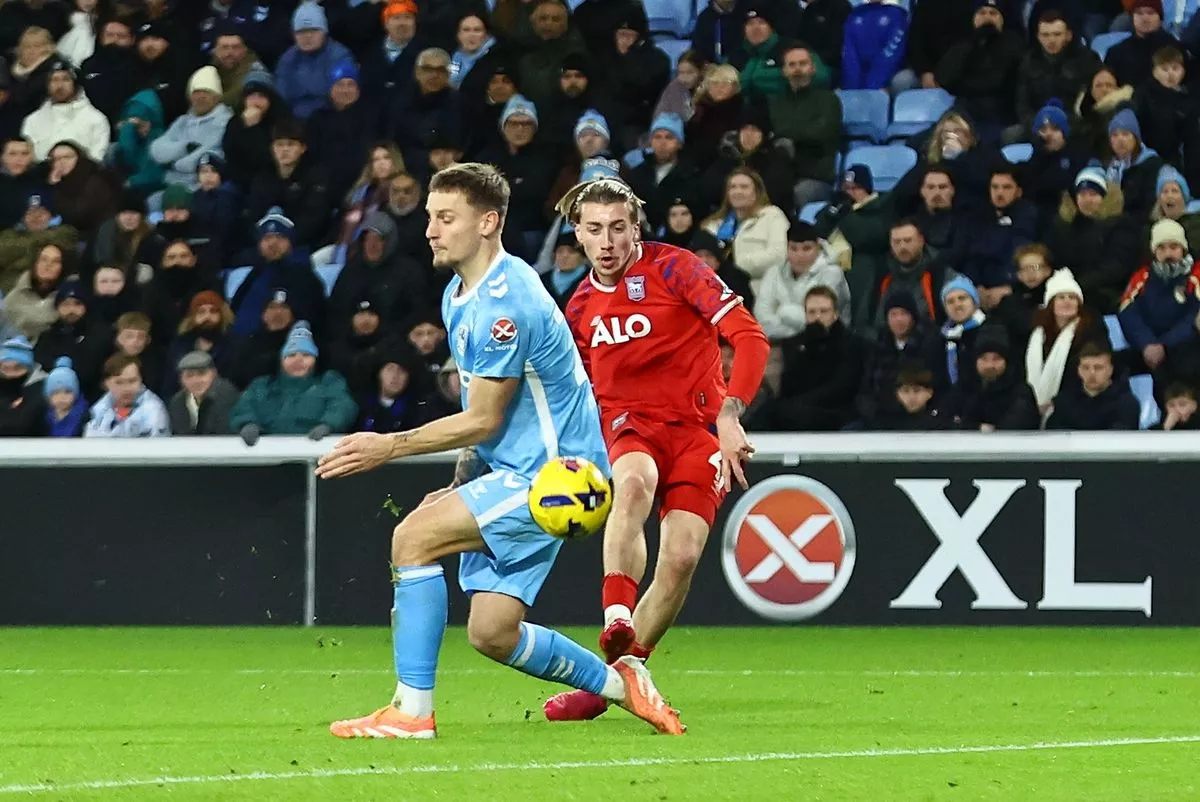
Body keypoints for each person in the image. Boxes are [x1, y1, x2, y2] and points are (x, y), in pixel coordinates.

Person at [314, 163, 683, 740]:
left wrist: (389, 445)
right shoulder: (463, 296)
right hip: (531, 471)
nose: (431, 230)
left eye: (445, 217)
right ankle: (623, 684)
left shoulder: (503, 308)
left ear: (488, 222)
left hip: (555, 479)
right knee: (493, 631)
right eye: (432, 217)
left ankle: (411, 712)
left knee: (411, 539)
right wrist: (465, 481)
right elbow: (490, 417)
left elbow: (483, 417)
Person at [545, 175, 768, 722]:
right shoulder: (577, 309)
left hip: (697, 430)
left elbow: (749, 338)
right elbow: (576, 392)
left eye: (618, 229)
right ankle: (616, 612)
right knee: (635, 483)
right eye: (594, 230)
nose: (607, 242)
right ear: (577, 233)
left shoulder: (676, 268)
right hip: (630, 425)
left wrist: (730, 412)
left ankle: (614, 682)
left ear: (635, 227)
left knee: (683, 556)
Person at [83, 352, 170, 437]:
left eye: (132, 381)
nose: (126, 388)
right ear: (106, 384)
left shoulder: (154, 409)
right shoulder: (97, 411)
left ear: (141, 380)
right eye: (119, 382)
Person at [168, 350, 238, 436]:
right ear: (181, 380)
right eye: (189, 375)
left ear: (214, 373)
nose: (196, 381)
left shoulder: (226, 396)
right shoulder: (177, 402)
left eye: (202, 373)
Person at [43, 355, 85, 437]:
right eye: (55, 393)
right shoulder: (44, 416)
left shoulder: (83, 417)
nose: (61, 397)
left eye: (68, 392)